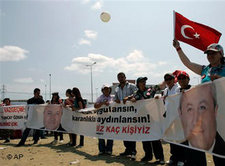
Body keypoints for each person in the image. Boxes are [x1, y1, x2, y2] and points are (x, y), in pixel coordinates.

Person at [173, 39, 225, 165]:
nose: (210, 56)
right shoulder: (204, 70)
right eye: (208, 53)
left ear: (221, 54)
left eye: (213, 53)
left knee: (222, 150)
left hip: (223, 114)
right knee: (208, 147)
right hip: (206, 114)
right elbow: (188, 63)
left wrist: (221, 80)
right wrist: (178, 48)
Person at [179, 83, 225, 165]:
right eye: (189, 109)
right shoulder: (183, 142)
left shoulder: (221, 145)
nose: (196, 119)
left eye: (202, 108)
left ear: (215, 110)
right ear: (180, 113)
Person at [130, 77, 165, 164]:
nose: (144, 83)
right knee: (145, 139)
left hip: (153, 118)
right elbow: (132, 101)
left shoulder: (151, 89)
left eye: (144, 81)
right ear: (138, 83)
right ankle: (148, 156)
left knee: (155, 138)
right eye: (142, 81)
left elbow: (161, 86)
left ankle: (160, 158)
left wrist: (166, 79)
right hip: (142, 120)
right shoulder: (135, 93)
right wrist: (132, 100)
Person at [175, 71, 207, 166]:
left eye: (184, 78)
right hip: (184, 124)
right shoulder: (178, 92)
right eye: (179, 79)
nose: (181, 80)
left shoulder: (194, 89)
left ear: (188, 79)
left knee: (197, 148)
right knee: (186, 147)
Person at [114, 72, 137, 160]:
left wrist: (129, 97)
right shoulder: (116, 89)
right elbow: (116, 99)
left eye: (122, 77)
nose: (120, 79)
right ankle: (127, 150)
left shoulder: (131, 86)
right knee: (124, 132)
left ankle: (133, 152)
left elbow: (137, 93)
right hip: (122, 115)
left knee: (131, 132)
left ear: (125, 77)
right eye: (119, 77)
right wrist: (115, 100)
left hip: (131, 113)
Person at [162, 73, 182, 165]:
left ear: (174, 79)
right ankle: (173, 157)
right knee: (171, 139)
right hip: (169, 117)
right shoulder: (166, 90)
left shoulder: (178, 88)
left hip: (178, 117)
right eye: (166, 79)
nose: (168, 81)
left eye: (170, 79)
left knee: (180, 139)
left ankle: (182, 159)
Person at [94, 84, 114, 155]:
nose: (106, 90)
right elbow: (95, 106)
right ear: (102, 90)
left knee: (110, 134)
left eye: (108, 89)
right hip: (101, 119)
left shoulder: (113, 97)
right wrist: (102, 103)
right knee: (101, 134)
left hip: (110, 119)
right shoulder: (100, 98)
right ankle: (101, 150)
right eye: (105, 89)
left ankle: (109, 150)